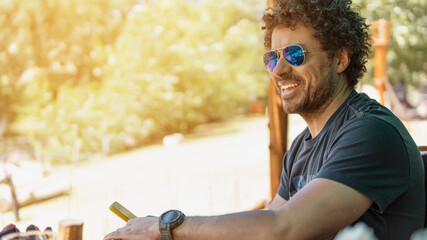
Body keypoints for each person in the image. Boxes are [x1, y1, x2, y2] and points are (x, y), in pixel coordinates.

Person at [104, 0, 425, 239]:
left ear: (340, 58)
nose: (281, 70)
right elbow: (268, 223)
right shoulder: (301, 147)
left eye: (296, 55)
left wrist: (167, 226)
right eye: (273, 58)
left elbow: (283, 228)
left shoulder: (371, 132)